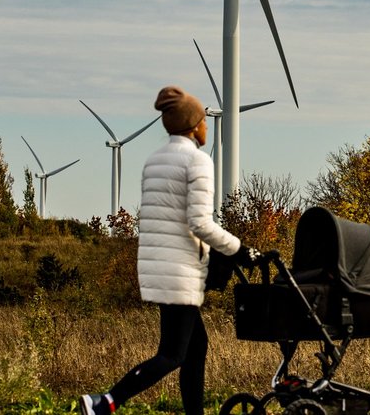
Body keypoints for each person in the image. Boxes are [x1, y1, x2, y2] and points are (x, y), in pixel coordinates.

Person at [80, 85, 260, 415]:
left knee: (196, 347)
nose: (208, 125)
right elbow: (199, 223)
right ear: (193, 125)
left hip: (156, 267)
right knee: (172, 354)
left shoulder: (155, 161)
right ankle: (105, 402)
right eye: (204, 120)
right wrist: (240, 249)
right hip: (180, 272)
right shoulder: (198, 162)